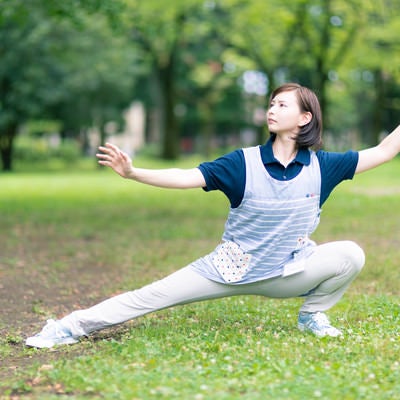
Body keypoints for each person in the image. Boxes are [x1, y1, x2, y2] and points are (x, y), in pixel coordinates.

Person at [26, 82, 400, 348]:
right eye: (271, 103)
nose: (272, 109)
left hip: (286, 272)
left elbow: (384, 151)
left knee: (350, 253)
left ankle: (312, 316)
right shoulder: (241, 163)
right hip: (229, 270)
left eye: (282, 105)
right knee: (148, 297)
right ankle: (66, 327)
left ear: (304, 118)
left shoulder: (325, 167)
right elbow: (184, 176)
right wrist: (134, 173)